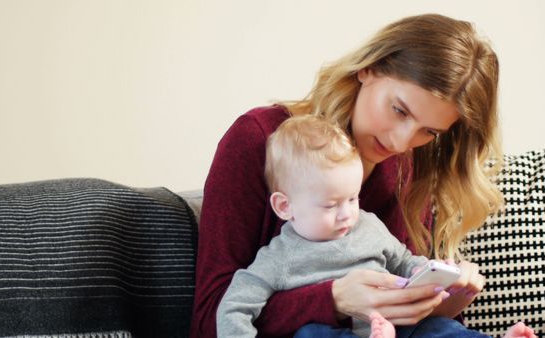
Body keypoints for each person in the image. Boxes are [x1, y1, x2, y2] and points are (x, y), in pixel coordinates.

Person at [191, 13, 509, 338]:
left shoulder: (407, 170)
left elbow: (404, 313)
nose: (402, 143)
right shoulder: (260, 140)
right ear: (367, 69)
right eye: (399, 110)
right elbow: (209, 321)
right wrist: (333, 299)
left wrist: (443, 299)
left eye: (428, 131)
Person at [215, 115, 537, 338]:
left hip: (396, 326)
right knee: (311, 334)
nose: (346, 215)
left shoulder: (368, 225)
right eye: (330, 205)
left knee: (438, 332)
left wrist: (434, 272)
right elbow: (234, 306)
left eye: (353, 199)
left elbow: (405, 261)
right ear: (285, 207)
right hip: (335, 330)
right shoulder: (280, 257)